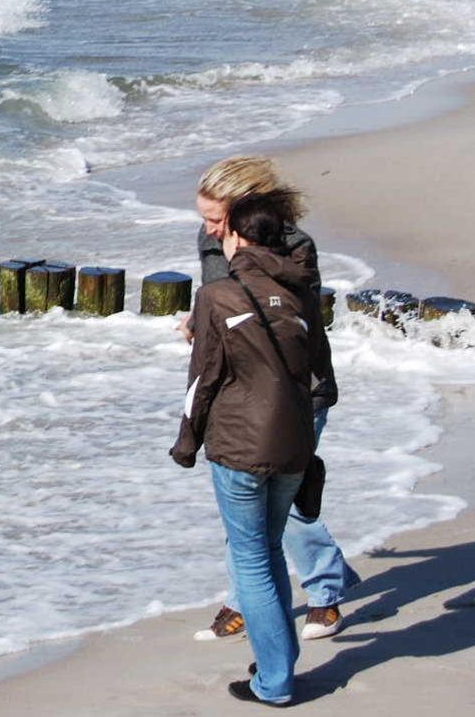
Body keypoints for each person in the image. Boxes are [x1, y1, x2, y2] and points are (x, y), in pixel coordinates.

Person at [172, 189, 336, 706]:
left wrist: (186, 442)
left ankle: (276, 681)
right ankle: (277, 662)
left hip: (241, 443)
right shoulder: (303, 290)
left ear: (239, 236)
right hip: (294, 439)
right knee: (266, 551)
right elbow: (319, 370)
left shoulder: (218, 296)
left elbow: (204, 379)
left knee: (252, 560)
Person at [186, 158, 353, 644]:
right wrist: (198, 323)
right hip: (241, 389)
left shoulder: (297, 248)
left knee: (287, 504)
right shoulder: (212, 240)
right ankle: (249, 599)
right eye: (204, 218)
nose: (208, 229)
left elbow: (289, 317)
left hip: (299, 388)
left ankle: (322, 592)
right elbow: (222, 299)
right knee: (246, 506)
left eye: (216, 219)